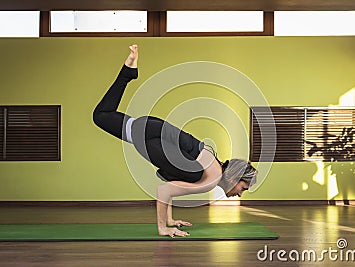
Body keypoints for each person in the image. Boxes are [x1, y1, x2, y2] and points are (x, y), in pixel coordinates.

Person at [93, 45, 258, 238]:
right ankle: (128, 73)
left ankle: (129, 71)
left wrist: (171, 220)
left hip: (153, 128)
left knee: (103, 115)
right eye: (243, 188)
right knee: (101, 115)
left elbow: (173, 184)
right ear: (235, 178)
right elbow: (164, 191)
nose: (240, 194)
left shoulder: (213, 167)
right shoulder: (210, 179)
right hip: (150, 134)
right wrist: (163, 228)